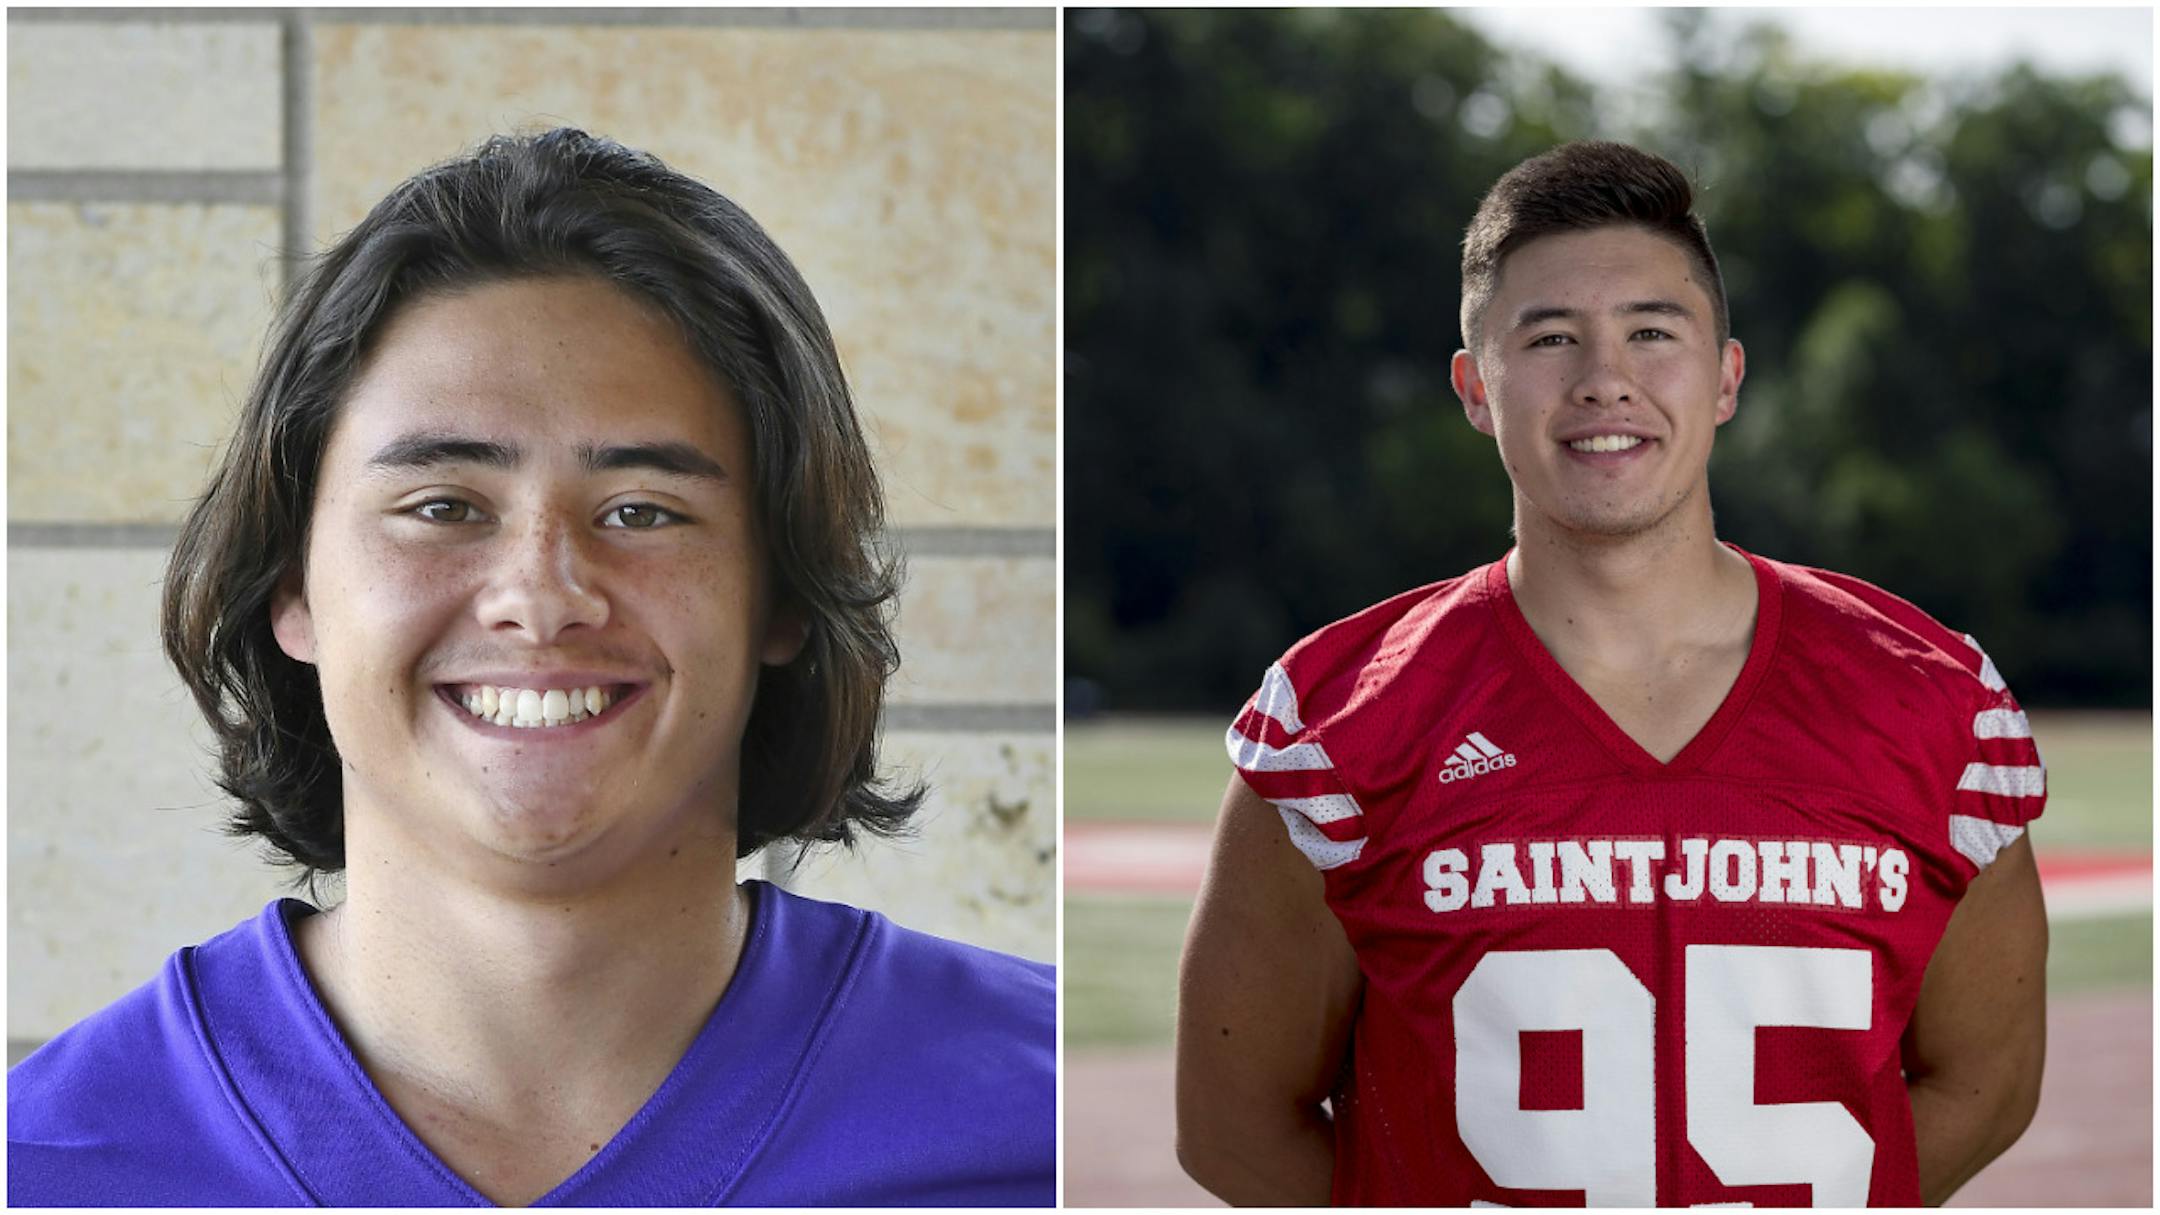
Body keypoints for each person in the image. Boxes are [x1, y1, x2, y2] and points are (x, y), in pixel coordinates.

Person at [8, 128, 1055, 1208]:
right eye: (443, 507)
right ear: (293, 585)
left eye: (642, 512)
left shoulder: (1042, 1125)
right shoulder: (47, 1167)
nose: (544, 597)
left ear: (781, 592)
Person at [1176, 141, 2047, 1207]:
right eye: (1549, 339)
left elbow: (1987, 1083)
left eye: (1651, 332)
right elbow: (1233, 1125)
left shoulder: (1934, 701)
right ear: (1475, 388)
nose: (1605, 382)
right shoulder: (1340, 720)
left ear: (1726, 376)